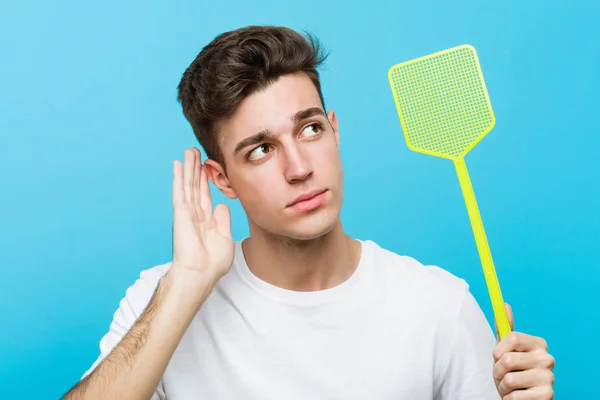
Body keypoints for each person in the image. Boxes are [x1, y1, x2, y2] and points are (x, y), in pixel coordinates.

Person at [62, 25, 555, 400]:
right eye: (260, 149)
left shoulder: (439, 306)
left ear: (335, 130)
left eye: (310, 129)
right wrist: (186, 286)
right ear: (221, 179)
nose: (299, 167)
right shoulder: (162, 299)